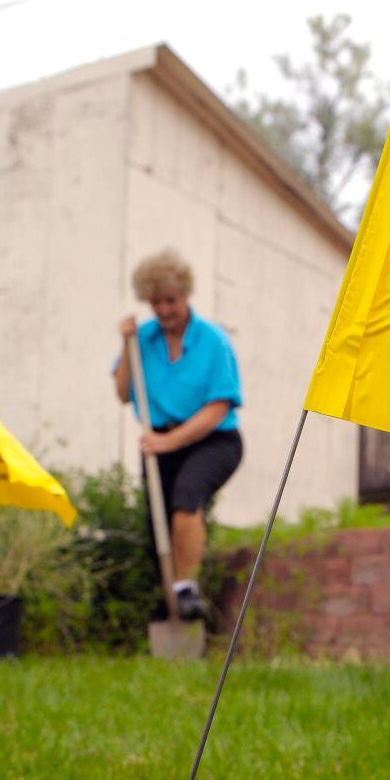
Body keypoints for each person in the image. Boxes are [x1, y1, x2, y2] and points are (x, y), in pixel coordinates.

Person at [112, 249, 243, 620]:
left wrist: (170, 441)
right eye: (156, 303)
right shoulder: (143, 340)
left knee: (187, 497)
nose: (164, 310)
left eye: (170, 300)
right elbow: (123, 393)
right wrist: (126, 344)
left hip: (213, 439)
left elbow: (219, 406)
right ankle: (176, 609)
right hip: (160, 444)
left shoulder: (212, 341)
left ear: (185, 294)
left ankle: (186, 589)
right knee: (158, 527)